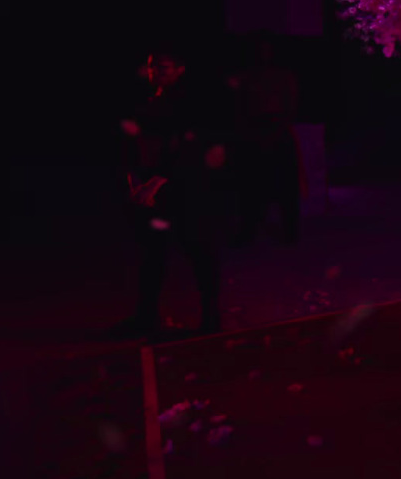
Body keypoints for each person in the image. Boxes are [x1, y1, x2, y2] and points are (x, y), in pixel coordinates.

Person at [112, 48, 229, 338]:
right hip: (155, 193)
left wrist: (154, 184)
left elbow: (187, 148)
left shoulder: (190, 104)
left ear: (179, 70)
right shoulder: (148, 103)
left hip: (186, 191)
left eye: (164, 67)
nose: (156, 73)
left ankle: (211, 319)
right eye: (153, 67)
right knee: (153, 255)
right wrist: (135, 185)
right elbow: (134, 147)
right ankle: (146, 316)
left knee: (199, 252)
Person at [230, 33, 302, 245]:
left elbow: (291, 105)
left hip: (276, 132)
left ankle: (289, 231)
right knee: (251, 187)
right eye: (260, 50)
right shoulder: (248, 77)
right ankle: (249, 230)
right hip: (255, 134)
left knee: (285, 186)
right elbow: (240, 108)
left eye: (267, 49)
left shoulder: (283, 77)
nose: (264, 54)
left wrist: (276, 127)